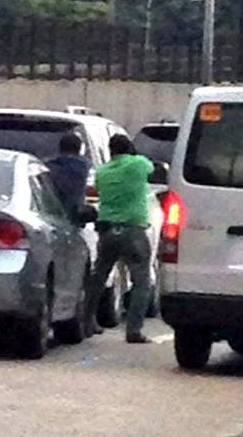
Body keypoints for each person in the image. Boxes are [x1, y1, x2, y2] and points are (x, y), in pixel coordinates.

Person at [83, 134, 155, 344]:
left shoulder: (102, 171)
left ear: (111, 150)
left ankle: (87, 321)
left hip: (107, 231)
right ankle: (134, 330)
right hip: (133, 230)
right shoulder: (139, 164)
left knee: (98, 277)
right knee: (141, 281)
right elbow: (151, 169)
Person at [45, 133, 90, 220]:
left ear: (60, 148)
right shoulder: (83, 166)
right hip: (74, 215)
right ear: (79, 149)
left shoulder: (50, 165)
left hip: (52, 214)